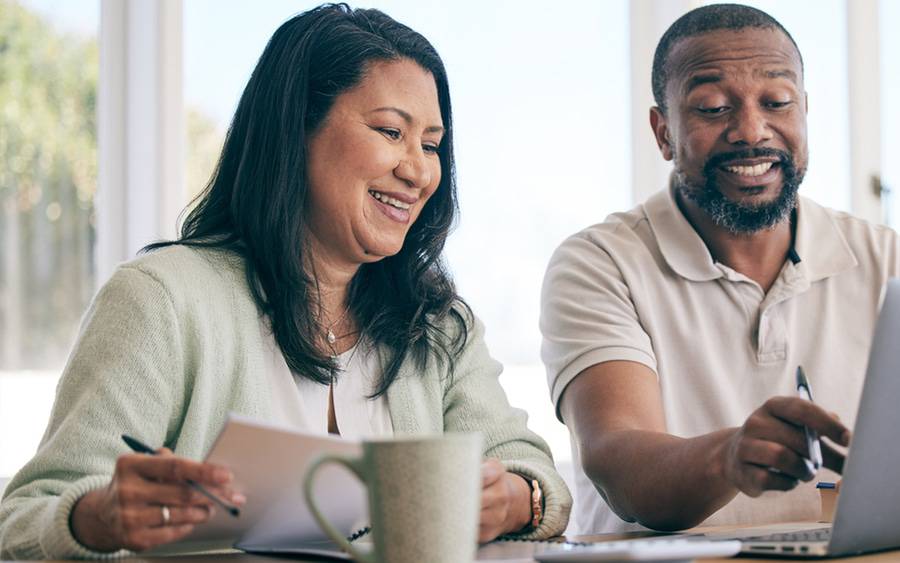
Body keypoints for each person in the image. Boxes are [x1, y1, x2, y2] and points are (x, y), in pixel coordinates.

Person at [0, 5, 571, 559]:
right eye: (391, 132)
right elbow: (24, 518)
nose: (419, 170)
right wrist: (98, 517)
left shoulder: (438, 324)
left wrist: (517, 498)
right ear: (296, 130)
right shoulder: (162, 299)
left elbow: (531, 469)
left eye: (430, 144)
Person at [540, 3, 899, 534]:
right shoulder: (600, 264)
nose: (752, 131)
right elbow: (619, 464)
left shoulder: (884, 258)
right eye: (711, 108)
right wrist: (731, 456)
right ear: (663, 132)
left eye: (776, 101)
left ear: (804, 112)